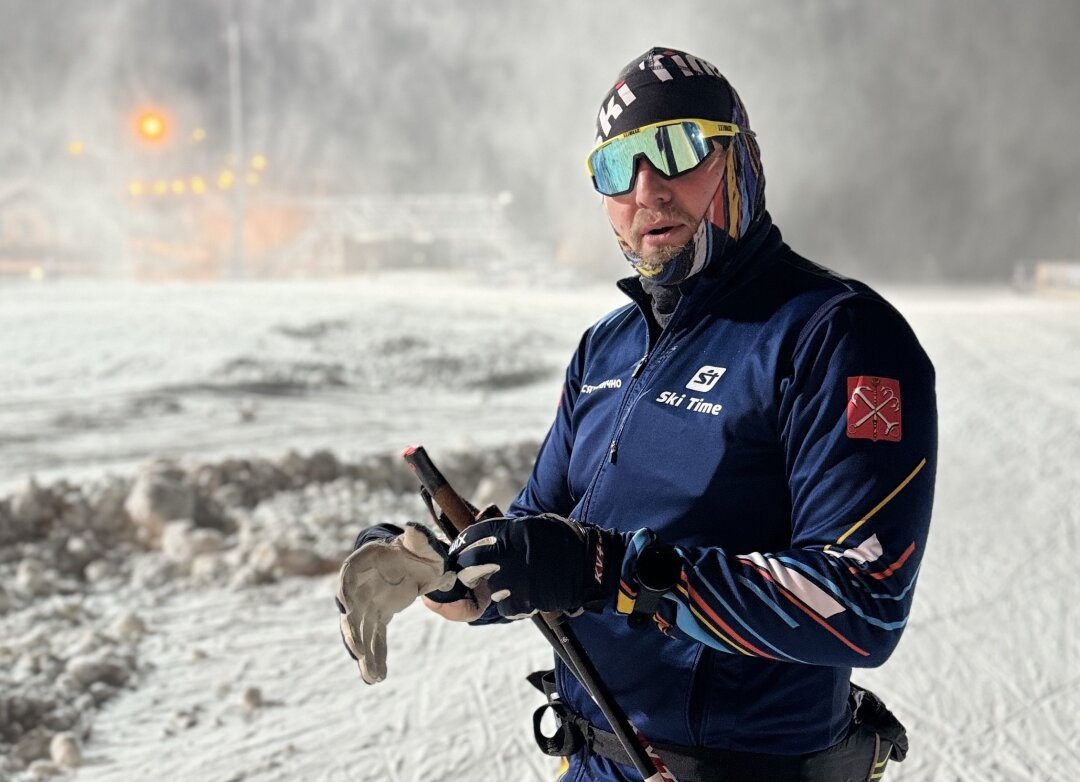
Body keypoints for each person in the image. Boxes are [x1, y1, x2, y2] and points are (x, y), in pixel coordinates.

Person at [337, 46, 936, 782]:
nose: (646, 189)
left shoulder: (833, 334)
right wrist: (447, 578)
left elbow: (860, 602)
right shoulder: (606, 348)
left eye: (676, 148)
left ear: (740, 159)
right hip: (592, 762)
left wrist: (615, 572)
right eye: (617, 167)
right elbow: (540, 552)